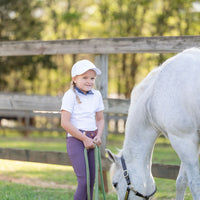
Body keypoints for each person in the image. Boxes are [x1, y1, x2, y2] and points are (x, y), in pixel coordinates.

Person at [61, 59, 105, 200]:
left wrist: (98, 135)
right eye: (84, 77)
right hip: (76, 140)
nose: (89, 81)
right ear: (74, 79)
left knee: (91, 181)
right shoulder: (70, 95)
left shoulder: (97, 95)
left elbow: (100, 119)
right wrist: (84, 138)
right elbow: (65, 122)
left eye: (92, 78)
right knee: (84, 181)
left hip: (92, 139)